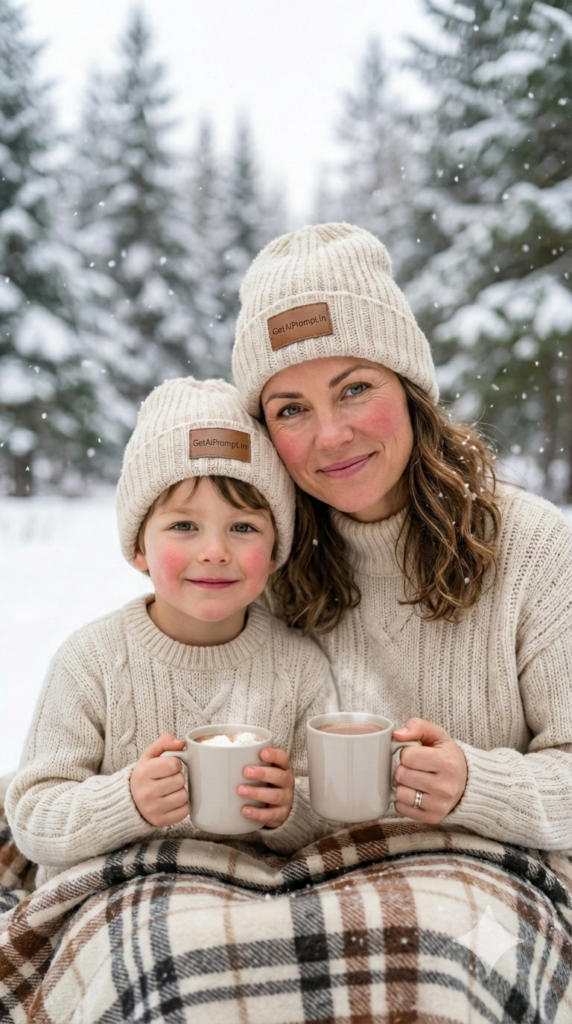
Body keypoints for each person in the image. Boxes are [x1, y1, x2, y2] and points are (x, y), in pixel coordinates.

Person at [232, 221, 572, 851]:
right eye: (291, 409)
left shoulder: (537, 548)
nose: (330, 435)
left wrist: (476, 783)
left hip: (494, 879)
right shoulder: (260, 566)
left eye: (355, 389)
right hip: (313, 881)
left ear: (412, 392)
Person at [6, 377, 336, 887]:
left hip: (251, 893)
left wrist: (289, 808)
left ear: (275, 551)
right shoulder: (93, 660)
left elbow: (329, 812)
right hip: (112, 893)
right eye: (184, 526)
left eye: (243, 527)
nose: (214, 551)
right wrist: (127, 800)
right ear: (138, 547)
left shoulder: (298, 666)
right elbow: (33, 816)